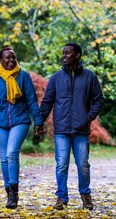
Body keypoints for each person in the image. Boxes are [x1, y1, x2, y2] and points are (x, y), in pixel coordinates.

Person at [40, 43, 104, 210]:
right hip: (61, 129)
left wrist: (88, 117)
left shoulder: (90, 77)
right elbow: (47, 102)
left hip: (81, 130)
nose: (64, 56)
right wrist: (40, 121)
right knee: (61, 164)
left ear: (77, 55)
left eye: (68, 53)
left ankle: (85, 196)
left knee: (83, 164)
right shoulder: (55, 78)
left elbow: (98, 100)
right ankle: (61, 197)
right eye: (63, 53)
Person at [0, 46, 44, 209]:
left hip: (20, 121)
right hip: (1, 123)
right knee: (3, 157)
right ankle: (8, 191)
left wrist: (38, 121)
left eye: (13, 58)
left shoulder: (24, 77)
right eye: (7, 58)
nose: (11, 61)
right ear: (0, 60)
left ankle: (14, 192)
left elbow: (32, 100)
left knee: (11, 153)